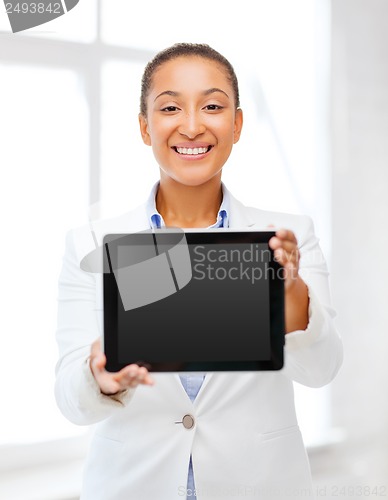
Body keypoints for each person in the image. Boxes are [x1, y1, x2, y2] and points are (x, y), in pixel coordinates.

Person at [54, 43, 343, 500]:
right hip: (132, 484)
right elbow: (71, 400)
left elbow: (321, 370)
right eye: (170, 108)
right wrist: (98, 377)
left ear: (238, 124)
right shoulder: (90, 243)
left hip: (259, 485)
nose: (192, 125)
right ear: (145, 128)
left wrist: (291, 293)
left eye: (212, 106)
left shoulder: (288, 238)